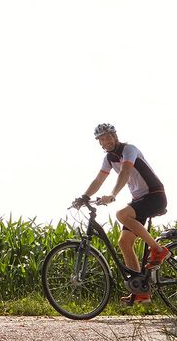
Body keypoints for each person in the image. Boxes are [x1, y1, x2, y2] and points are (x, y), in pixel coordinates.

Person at [73, 123, 170, 305]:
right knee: (124, 242)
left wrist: (113, 195)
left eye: (108, 136)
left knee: (122, 214)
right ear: (99, 143)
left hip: (155, 195)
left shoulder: (129, 149)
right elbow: (98, 179)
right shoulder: (109, 159)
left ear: (115, 136)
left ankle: (158, 250)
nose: (106, 141)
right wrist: (84, 196)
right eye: (102, 139)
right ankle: (141, 291)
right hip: (140, 200)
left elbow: (125, 171)